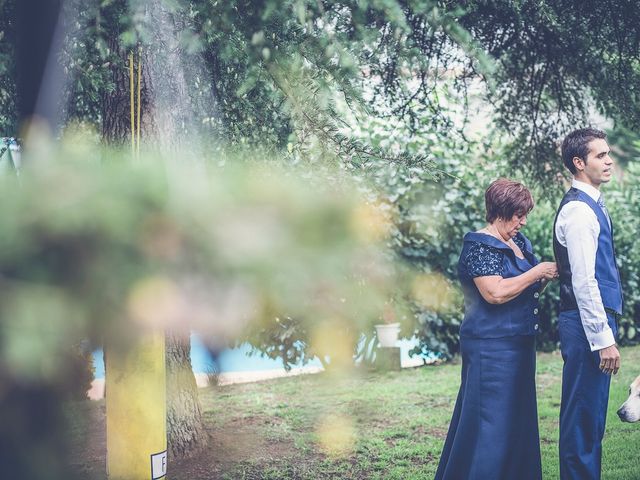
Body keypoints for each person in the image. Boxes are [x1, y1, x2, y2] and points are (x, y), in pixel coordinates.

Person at [435, 178, 558, 480]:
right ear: (500, 211)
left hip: (519, 346)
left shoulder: (519, 244)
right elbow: (495, 292)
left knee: (518, 423)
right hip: (491, 350)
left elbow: (522, 288)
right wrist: (537, 271)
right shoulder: (479, 244)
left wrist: (539, 279)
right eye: (518, 214)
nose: (523, 221)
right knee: (490, 425)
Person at [554, 128, 623, 480]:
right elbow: (584, 282)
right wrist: (603, 338)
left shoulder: (591, 205)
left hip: (588, 324)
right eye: (600, 155)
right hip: (585, 326)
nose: (609, 160)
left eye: (608, 153)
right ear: (579, 163)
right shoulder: (580, 213)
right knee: (582, 420)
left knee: (591, 419)